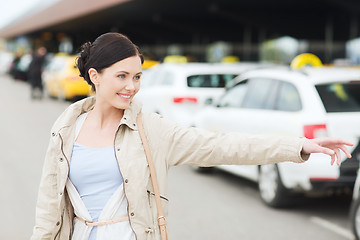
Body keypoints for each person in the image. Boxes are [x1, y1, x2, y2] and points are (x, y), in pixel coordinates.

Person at [30, 32, 353, 240]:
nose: (131, 86)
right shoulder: (65, 128)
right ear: (94, 76)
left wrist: (297, 145)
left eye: (138, 76)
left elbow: (223, 145)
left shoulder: (150, 129)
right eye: (122, 76)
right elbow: (49, 206)